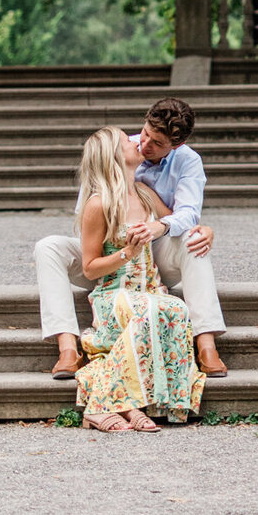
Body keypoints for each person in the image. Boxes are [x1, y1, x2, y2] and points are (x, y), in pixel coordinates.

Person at [34, 95, 228, 382]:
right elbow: (84, 220)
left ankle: (206, 344)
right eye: (145, 134)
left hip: (153, 253)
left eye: (157, 144)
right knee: (47, 247)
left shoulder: (187, 162)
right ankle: (66, 347)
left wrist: (183, 228)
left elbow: (186, 214)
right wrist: (118, 248)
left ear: (176, 146)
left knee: (193, 240)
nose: (144, 145)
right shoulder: (114, 149)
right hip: (105, 251)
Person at [73, 126, 206, 432]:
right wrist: (126, 254)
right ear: (113, 156)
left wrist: (206, 230)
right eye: (126, 142)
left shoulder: (145, 194)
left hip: (147, 289)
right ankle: (101, 406)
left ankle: (138, 403)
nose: (135, 143)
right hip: (113, 294)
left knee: (175, 309)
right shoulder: (99, 204)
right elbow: (90, 268)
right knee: (145, 311)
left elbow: (178, 221)